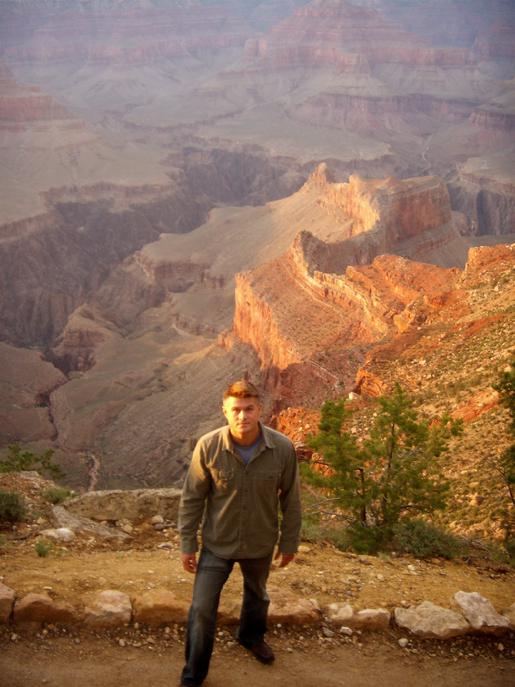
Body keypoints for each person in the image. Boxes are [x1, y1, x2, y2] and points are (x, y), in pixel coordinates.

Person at [178, 379, 302, 687]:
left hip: (260, 541)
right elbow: (192, 497)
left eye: (249, 409)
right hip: (217, 543)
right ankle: (194, 673)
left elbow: (291, 498)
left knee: (257, 595)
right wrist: (187, 543)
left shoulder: (282, 448)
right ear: (224, 411)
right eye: (236, 410)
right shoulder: (208, 446)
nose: (242, 416)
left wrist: (289, 542)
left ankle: (250, 636)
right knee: (202, 609)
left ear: (260, 409)